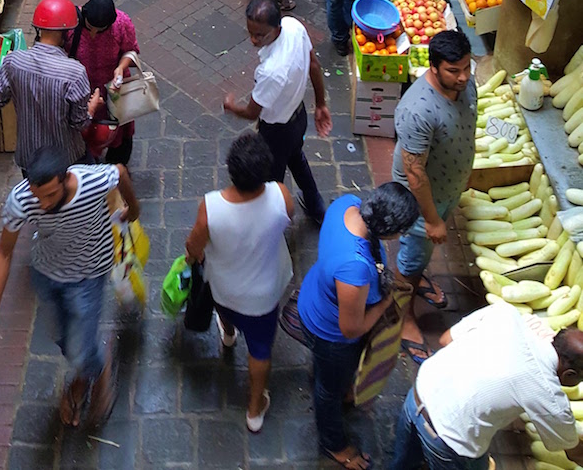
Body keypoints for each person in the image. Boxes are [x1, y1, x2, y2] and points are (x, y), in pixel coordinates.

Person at [0, 145, 139, 429]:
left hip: (89, 275)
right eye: (37, 196)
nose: (42, 204)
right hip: (47, 274)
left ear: (66, 179)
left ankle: (94, 374)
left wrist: (134, 210)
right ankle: (90, 364)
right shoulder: (22, 199)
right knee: (60, 337)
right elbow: (4, 253)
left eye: (50, 195)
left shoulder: (92, 182)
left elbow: (120, 173)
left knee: (79, 347)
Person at [297, 184, 420, 469]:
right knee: (328, 390)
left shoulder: (348, 203)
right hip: (330, 333)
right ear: (387, 231)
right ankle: (333, 443)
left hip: (316, 294)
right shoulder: (355, 267)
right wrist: (385, 301)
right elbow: (351, 329)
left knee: (332, 377)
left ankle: (335, 382)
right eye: (400, 232)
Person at [185, 132, 293, 432]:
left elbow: (194, 247)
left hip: (224, 286)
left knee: (225, 311)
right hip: (263, 296)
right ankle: (255, 409)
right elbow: (289, 218)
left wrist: (191, 259)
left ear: (231, 170)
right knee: (260, 351)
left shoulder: (211, 207)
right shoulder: (281, 196)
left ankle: (229, 334)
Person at [391, 306, 583, 470]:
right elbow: (574, 451)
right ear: (570, 375)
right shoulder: (547, 393)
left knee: (403, 463)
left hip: (417, 395)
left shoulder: (506, 313)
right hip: (447, 438)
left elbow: (445, 340)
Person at [391, 28, 476, 363]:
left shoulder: (467, 86)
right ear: (435, 67)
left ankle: (417, 274)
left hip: (447, 188)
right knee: (410, 259)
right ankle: (402, 316)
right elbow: (414, 172)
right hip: (422, 202)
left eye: (467, 67)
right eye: (454, 71)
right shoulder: (418, 110)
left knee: (420, 255)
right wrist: (431, 219)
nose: (463, 77)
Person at [223, 0, 331, 225]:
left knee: (272, 181)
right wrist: (320, 103)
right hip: (298, 118)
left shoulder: (271, 72)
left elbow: (252, 112)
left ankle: (274, 224)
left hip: (276, 133)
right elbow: (313, 64)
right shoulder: (294, 26)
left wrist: (232, 107)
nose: (253, 40)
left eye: (260, 35)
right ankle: (316, 205)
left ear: (276, 29)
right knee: (297, 158)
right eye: (250, 32)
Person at [0, 0, 102, 172]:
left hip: (30, 158)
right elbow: (79, 123)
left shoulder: (13, 61)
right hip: (67, 159)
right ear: (66, 33)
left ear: (38, 29)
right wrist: (92, 108)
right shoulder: (75, 72)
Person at [70, 0, 140, 166]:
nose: (93, 33)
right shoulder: (71, 22)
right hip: (82, 90)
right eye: (90, 27)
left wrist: (120, 68)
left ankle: (116, 167)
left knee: (120, 132)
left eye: (100, 30)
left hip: (113, 90)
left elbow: (130, 51)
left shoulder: (122, 23)